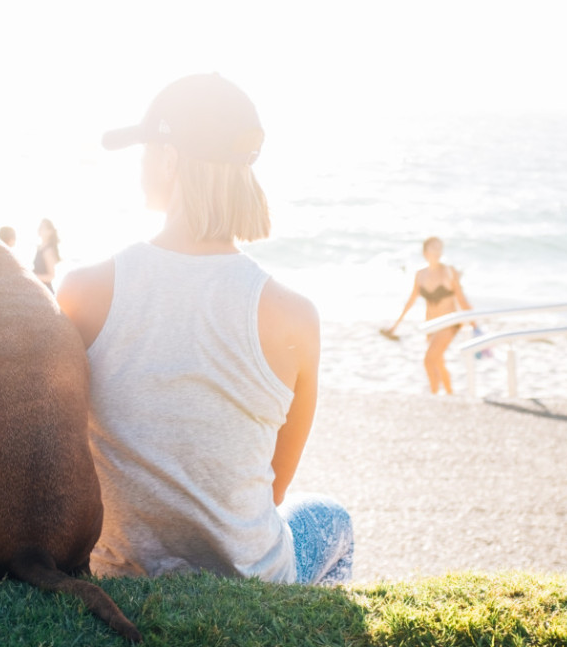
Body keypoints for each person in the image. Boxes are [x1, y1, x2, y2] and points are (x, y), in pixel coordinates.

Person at [56, 73, 352, 585]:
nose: (142, 162)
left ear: (170, 159)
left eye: (146, 149)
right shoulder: (294, 316)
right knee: (333, 519)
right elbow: (273, 490)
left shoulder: (84, 290)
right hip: (251, 579)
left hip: (119, 573)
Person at [382, 237, 473, 395]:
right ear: (425, 252)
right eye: (434, 248)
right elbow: (410, 302)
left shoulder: (449, 271)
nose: (438, 252)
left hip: (449, 323)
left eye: (440, 248)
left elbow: (461, 298)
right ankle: (450, 394)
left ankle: (434, 396)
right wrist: (395, 326)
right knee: (438, 361)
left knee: (428, 360)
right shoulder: (420, 274)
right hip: (430, 324)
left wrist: (474, 323)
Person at [33, 218, 61, 291]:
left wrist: (34, 276)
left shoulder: (48, 250)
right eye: (40, 227)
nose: (40, 229)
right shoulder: (40, 247)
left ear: (50, 231)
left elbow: (51, 276)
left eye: (43, 228)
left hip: (45, 290)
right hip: (38, 288)